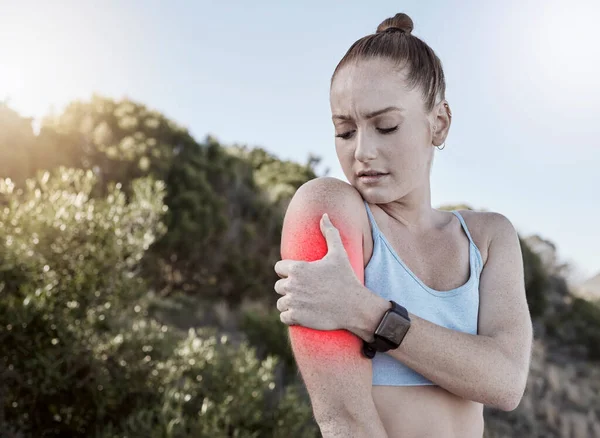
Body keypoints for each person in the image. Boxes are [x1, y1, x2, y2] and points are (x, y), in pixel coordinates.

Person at [273, 12, 533, 438]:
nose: (362, 152)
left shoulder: (489, 237)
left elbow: (505, 383)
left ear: (439, 123)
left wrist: (364, 311)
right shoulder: (328, 211)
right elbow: (344, 420)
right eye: (345, 132)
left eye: (386, 126)